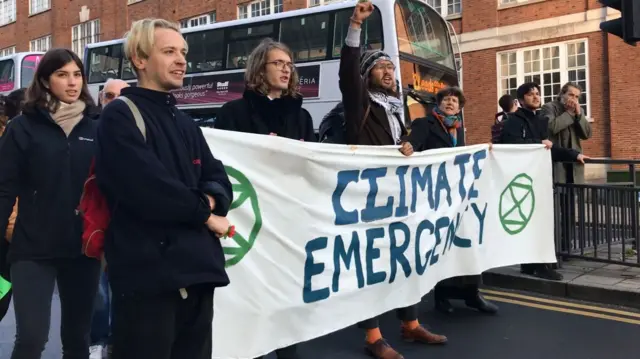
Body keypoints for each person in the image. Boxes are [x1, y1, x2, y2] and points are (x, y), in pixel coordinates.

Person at [95, 18, 233, 359]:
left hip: (198, 272)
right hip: (148, 279)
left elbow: (220, 179)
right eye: (169, 51)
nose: (182, 60)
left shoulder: (186, 123)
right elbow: (149, 189)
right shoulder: (119, 117)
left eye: (183, 52)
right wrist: (207, 214)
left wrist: (208, 201)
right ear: (140, 59)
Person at [338, 3, 446, 358]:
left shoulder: (400, 109)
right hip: (370, 201)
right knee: (372, 268)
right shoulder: (360, 105)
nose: (388, 70)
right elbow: (347, 75)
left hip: (402, 198)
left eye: (391, 66)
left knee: (406, 262)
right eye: (381, 66)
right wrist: (355, 25)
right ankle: (372, 337)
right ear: (367, 75)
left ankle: (411, 325)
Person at [0, 48, 101, 359]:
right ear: (44, 80)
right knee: (31, 337)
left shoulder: (98, 125)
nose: (72, 82)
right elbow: (4, 188)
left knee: (77, 339)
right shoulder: (23, 127)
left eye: (77, 75)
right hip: (33, 247)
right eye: (62, 74)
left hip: (82, 248)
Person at [215, 38, 313, 359]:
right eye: (278, 63)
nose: (286, 69)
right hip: (249, 224)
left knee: (286, 297)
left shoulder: (302, 116)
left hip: (286, 222)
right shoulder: (233, 113)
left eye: (289, 64)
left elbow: (312, 165)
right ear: (260, 68)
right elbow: (222, 165)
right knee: (251, 297)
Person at [410, 86, 500, 315]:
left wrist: (481, 150)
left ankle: (472, 294)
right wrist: (408, 146)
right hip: (433, 197)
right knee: (442, 246)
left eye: (455, 101)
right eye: (446, 100)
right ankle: (442, 296)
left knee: (466, 242)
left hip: (457, 196)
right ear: (438, 104)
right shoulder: (424, 124)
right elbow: (412, 149)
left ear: (459, 108)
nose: (450, 103)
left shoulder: (458, 129)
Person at [500, 82, 589, 280]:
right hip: (523, 177)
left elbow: (549, 148)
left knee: (540, 220)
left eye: (537, 94)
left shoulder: (538, 120)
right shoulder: (515, 120)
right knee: (535, 221)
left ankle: (532, 265)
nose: (535, 97)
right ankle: (538, 264)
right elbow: (511, 144)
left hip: (538, 177)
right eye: (530, 94)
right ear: (521, 99)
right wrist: (537, 144)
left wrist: (574, 155)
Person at [89, 78, 130, 359]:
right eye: (109, 96)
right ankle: (97, 342)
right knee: (99, 293)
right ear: (101, 99)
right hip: (95, 226)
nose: (114, 101)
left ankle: (117, 342)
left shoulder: (141, 133)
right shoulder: (90, 131)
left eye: (121, 96)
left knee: (123, 292)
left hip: (129, 228)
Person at [541, 82, 592, 258]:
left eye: (577, 97)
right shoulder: (549, 107)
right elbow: (550, 128)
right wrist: (569, 114)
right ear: (562, 94)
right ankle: (553, 248)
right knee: (555, 212)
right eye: (571, 95)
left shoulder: (578, 111)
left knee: (570, 211)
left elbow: (587, 134)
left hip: (573, 170)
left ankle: (567, 247)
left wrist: (578, 116)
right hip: (557, 168)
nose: (574, 99)